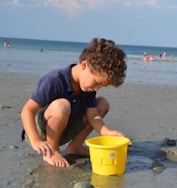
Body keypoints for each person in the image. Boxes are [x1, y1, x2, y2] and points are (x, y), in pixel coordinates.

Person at [21, 38, 127, 168]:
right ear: (84, 65)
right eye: (97, 82)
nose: (96, 88)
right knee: (62, 106)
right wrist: (35, 141)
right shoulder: (55, 80)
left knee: (102, 103)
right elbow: (27, 110)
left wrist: (106, 131)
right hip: (40, 132)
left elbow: (93, 115)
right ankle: (52, 151)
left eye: (101, 86)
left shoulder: (88, 88)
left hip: (66, 127)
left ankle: (75, 146)